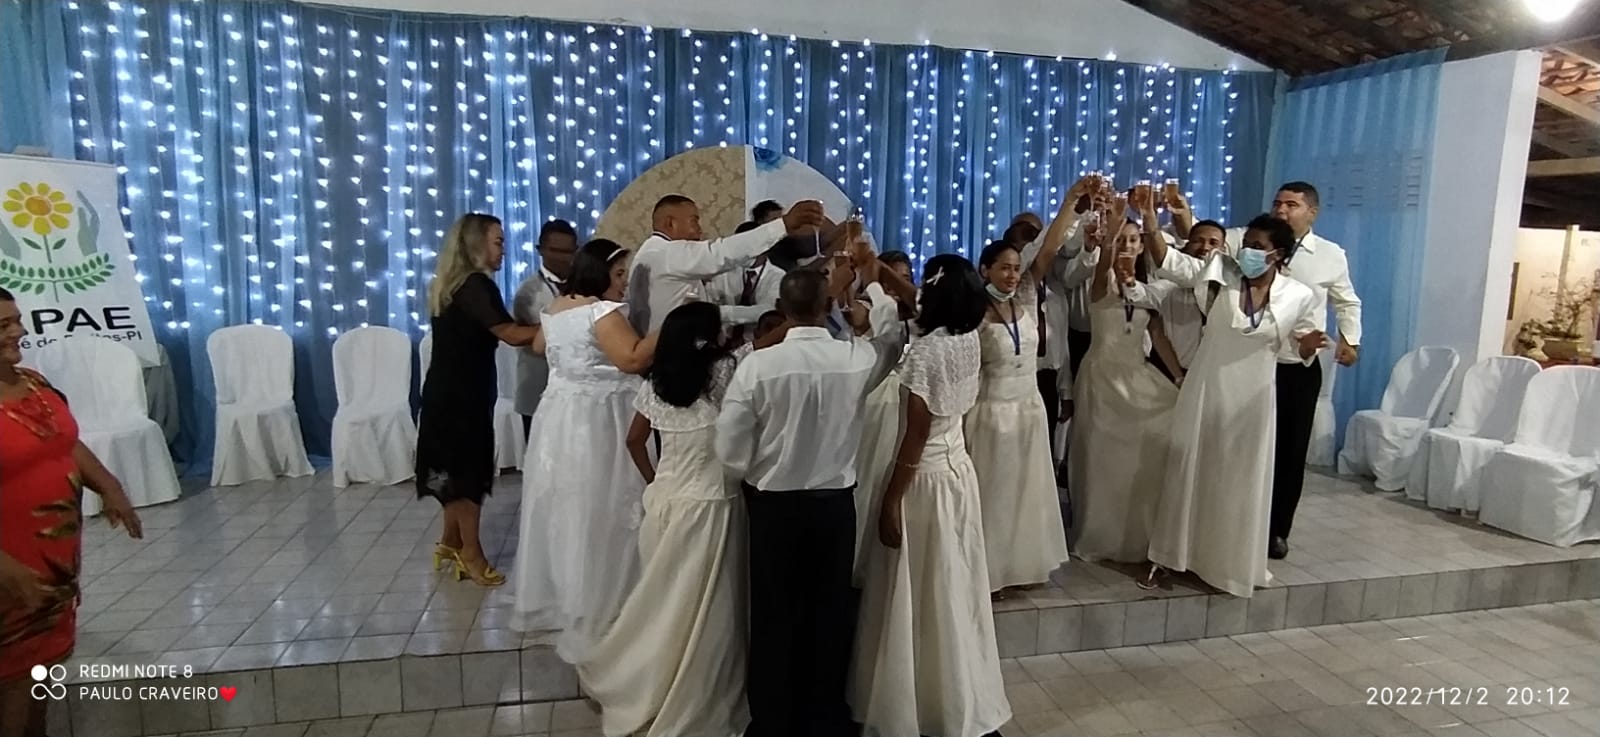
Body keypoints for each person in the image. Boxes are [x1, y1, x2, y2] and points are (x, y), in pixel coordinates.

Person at [715, 250, 903, 737]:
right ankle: (823, 714)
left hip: (773, 505)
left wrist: (750, 475)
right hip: (833, 506)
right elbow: (891, 336)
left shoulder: (758, 367)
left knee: (773, 612)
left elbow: (729, 444)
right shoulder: (854, 359)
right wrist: (871, 285)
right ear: (828, 306)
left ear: (781, 307)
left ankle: (773, 719)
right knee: (829, 611)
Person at [850, 254, 1011, 737]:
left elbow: (914, 438)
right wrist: (879, 270)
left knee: (917, 591)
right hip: (958, 474)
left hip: (923, 481)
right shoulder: (968, 335)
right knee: (951, 585)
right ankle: (954, 688)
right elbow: (916, 299)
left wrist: (890, 500)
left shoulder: (926, 353)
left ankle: (913, 699)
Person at [579, 302, 751, 737]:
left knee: (663, 607)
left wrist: (655, 481)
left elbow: (634, 440)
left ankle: (645, 679)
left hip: (666, 503)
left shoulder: (656, 382)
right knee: (707, 616)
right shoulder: (723, 374)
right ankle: (695, 694)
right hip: (711, 506)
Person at [1170, 182, 1362, 559]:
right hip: (1248, 360)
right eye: (1277, 203)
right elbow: (1203, 242)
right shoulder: (1248, 239)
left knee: (1288, 452)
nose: (1281, 210)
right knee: (1238, 448)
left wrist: (1350, 340)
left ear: (1312, 212)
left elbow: (1346, 300)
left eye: (1291, 204)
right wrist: (1180, 213)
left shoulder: (1330, 255)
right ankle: (1228, 526)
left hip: (1295, 363)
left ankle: (1276, 530)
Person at [1138, 215, 1325, 597]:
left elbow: (1296, 346)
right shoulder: (1219, 271)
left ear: (1278, 253)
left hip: (1252, 401)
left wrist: (1307, 348)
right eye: (1247, 244)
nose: (1248, 252)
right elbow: (1169, 261)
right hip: (1207, 388)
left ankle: (1226, 562)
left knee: (1238, 480)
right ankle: (1172, 556)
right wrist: (1150, 221)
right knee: (1191, 470)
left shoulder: (1298, 295)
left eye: (1258, 246)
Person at [1, 286, 144, 737]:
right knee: (13, 685)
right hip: (10, 573)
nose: (18, 331)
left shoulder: (35, 384)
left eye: (16, 320)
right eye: (2, 325)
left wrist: (109, 485)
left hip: (53, 564)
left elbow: (65, 443)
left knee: (40, 675)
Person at [510, 239, 659, 662]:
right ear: (598, 273)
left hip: (559, 416)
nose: (624, 283)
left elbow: (540, 347)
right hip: (599, 418)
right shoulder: (601, 312)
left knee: (567, 505)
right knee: (603, 503)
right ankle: (604, 599)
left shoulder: (556, 309)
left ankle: (570, 595)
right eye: (619, 274)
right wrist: (669, 328)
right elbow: (632, 360)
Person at [965, 177, 1094, 596]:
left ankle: (1019, 565)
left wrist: (1071, 200)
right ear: (985, 269)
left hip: (1028, 407)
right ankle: (987, 571)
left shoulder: (1024, 296)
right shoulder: (972, 312)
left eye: (1016, 268)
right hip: (991, 413)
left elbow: (1049, 248)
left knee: (1025, 491)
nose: (1011, 274)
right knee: (995, 493)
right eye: (1003, 267)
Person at [417, 214, 541, 586]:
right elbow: (511, 334)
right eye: (498, 242)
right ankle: (470, 553)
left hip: (447, 391)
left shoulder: (451, 284)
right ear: (476, 244)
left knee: (448, 469)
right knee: (465, 474)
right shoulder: (475, 285)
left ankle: (450, 541)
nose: (503, 250)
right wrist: (564, 324)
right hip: (462, 396)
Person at [1068, 203, 1181, 564]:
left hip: (1137, 373)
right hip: (1102, 376)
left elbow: (1158, 336)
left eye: (1133, 239)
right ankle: (1099, 535)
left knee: (1146, 449)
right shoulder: (1102, 282)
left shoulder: (1150, 289)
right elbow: (1104, 269)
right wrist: (1110, 235)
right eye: (1121, 240)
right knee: (1101, 458)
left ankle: (1138, 534)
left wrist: (1179, 377)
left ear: (1142, 245)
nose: (1128, 246)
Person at [627, 195, 826, 335]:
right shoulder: (667, 253)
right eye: (694, 221)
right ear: (670, 224)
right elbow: (722, 252)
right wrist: (783, 225)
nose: (700, 230)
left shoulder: (650, 253)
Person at [512, 219, 579, 436]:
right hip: (537, 390)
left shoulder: (584, 286)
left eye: (568, 251)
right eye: (555, 251)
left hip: (575, 395)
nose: (562, 258)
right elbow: (541, 341)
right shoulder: (527, 292)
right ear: (540, 250)